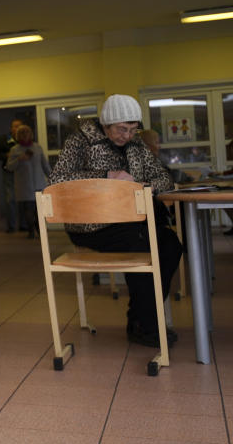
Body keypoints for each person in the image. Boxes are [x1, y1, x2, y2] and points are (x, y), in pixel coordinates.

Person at [50, 94, 181, 347]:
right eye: (122, 129)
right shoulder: (81, 140)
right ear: (106, 124)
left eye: (133, 130)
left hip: (131, 222)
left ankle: (139, 317)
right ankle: (147, 325)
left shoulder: (137, 146)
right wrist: (106, 176)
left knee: (170, 245)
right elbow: (58, 180)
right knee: (141, 244)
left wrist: (144, 185)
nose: (127, 136)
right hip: (90, 225)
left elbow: (164, 177)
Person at [4, 124, 50, 239]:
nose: (25, 135)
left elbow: (45, 164)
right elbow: (9, 167)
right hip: (24, 186)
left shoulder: (37, 147)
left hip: (39, 183)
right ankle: (31, 230)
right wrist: (19, 159)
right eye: (22, 133)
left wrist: (52, 177)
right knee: (28, 210)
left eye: (27, 133)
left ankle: (40, 230)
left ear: (31, 134)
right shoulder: (14, 150)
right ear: (18, 136)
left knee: (40, 210)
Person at [0, 119, 24, 232]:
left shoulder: (25, 139)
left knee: (23, 199)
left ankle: (24, 225)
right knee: (10, 199)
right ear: (11, 128)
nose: (17, 128)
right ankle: (11, 226)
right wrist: (7, 155)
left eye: (19, 126)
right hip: (8, 172)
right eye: (15, 126)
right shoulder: (4, 140)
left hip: (23, 173)